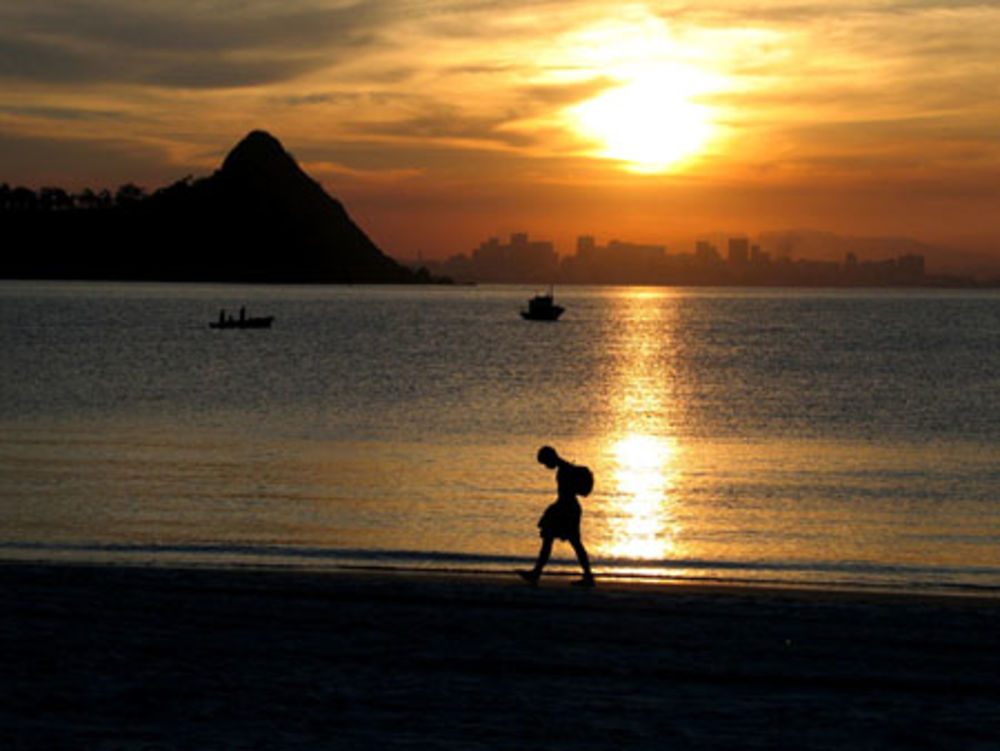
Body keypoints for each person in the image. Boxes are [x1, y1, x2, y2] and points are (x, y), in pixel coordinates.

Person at [519, 445, 595, 587]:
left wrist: (555, 509)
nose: (546, 466)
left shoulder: (564, 471)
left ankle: (588, 577)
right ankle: (537, 573)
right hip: (567, 508)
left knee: (572, 543)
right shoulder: (566, 468)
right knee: (559, 541)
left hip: (566, 509)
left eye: (545, 463)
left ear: (551, 458)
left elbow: (566, 494)